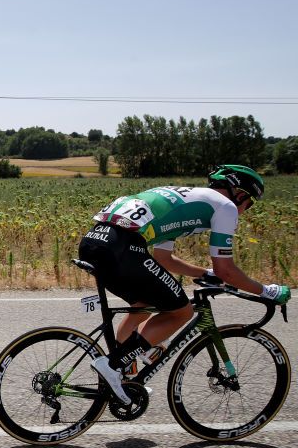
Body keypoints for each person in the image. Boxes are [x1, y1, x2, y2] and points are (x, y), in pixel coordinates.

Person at [78, 164, 290, 404]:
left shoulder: (181, 198)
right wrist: (267, 291)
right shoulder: (226, 207)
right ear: (239, 193)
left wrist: (203, 273)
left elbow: (163, 259)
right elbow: (226, 269)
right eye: (249, 204)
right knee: (181, 312)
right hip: (123, 248)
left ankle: (123, 379)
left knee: (143, 303)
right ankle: (114, 365)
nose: (245, 211)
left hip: (93, 243)